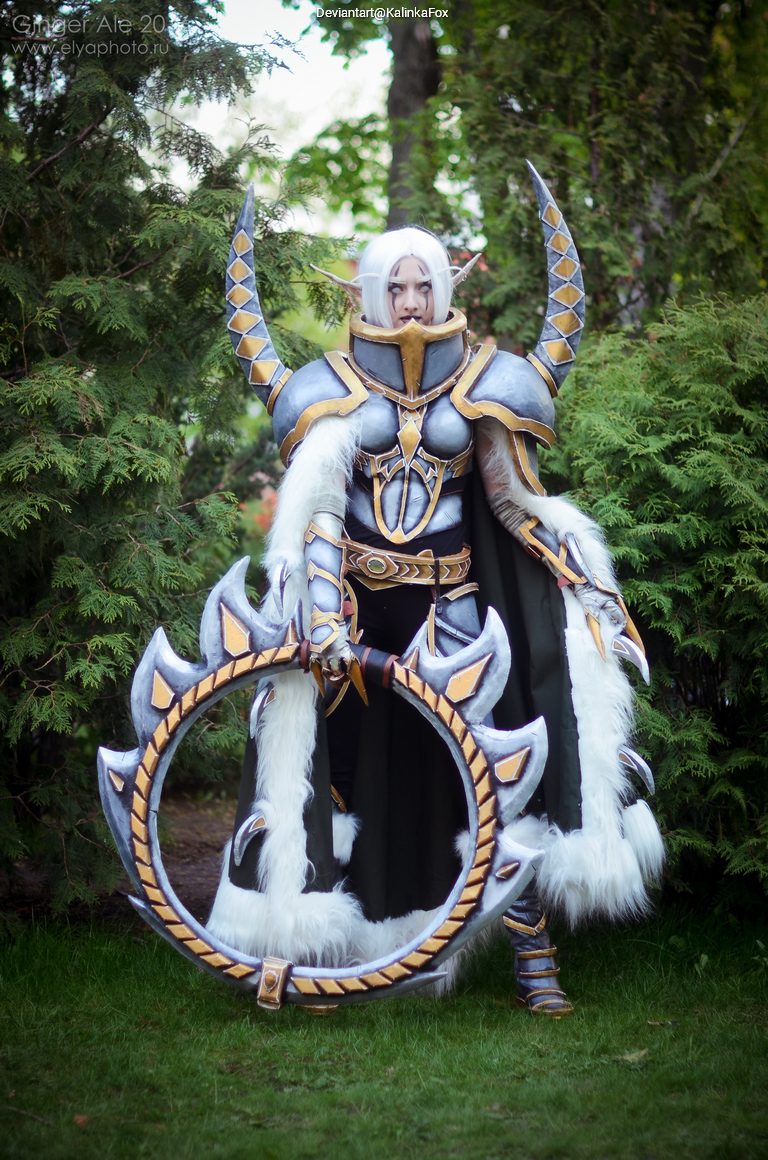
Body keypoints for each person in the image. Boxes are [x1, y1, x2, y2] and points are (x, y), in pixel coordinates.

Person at [207, 164, 664, 1014]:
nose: (411, 302)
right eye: (396, 287)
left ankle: (532, 955)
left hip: (451, 610)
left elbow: (511, 502)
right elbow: (319, 510)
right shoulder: (330, 387)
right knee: (334, 773)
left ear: (447, 287)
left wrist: (582, 578)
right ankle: (318, 950)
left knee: (489, 768)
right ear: (370, 294)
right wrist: (321, 610)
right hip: (352, 609)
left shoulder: (484, 381)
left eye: (424, 285)